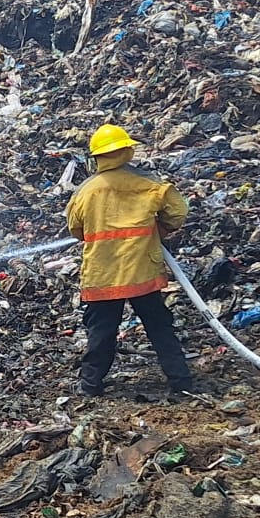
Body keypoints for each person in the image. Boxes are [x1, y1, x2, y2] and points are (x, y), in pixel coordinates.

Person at [65, 124, 197, 397]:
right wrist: (157, 230)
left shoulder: (86, 191)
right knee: (159, 327)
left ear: (97, 157)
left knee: (100, 333)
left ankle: (90, 386)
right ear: (127, 150)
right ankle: (181, 382)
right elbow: (178, 212)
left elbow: (76, 230)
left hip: (103, 273)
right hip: (142, 272)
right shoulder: (149, 183)